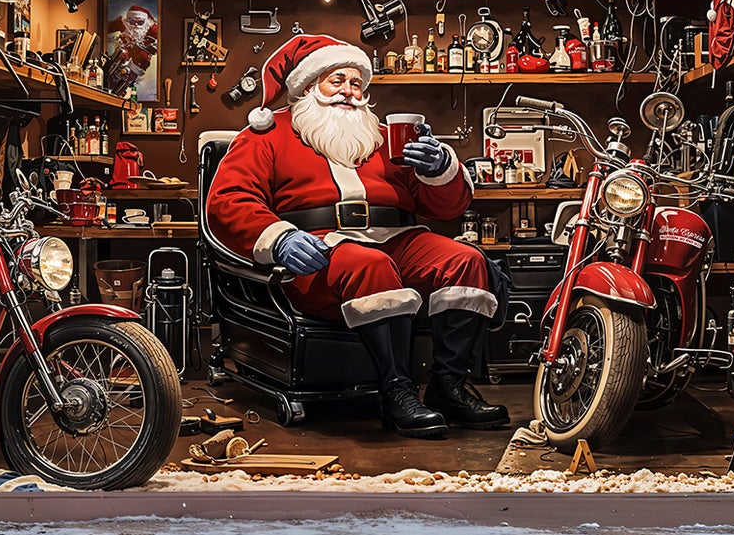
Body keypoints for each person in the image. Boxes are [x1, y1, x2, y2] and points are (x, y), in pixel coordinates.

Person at [207, 33, 508, 438]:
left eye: (356, 83)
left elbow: (446, 210)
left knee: (466, 260)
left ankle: (448, 387)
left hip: (398, 236)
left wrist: (438, 171)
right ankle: (397, 392)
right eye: (337, 80)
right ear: (308, 86)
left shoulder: (385, 137)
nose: (349, 91)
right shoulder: (268, 135)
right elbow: (228, 200)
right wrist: (279, 238)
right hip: (319, 250)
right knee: (371, 265)